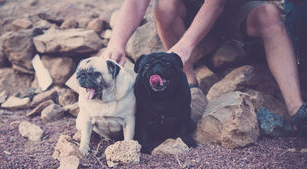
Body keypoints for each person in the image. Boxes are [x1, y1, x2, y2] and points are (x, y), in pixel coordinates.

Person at [102, 0, 307, 136]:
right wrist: (116, 44)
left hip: (233, 8)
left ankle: (297, 110)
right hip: (188, 10)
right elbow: (137, 2)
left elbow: (215, 5)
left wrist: (184, 47)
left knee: (269, 15)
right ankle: (190, 86)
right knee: (164, 6)